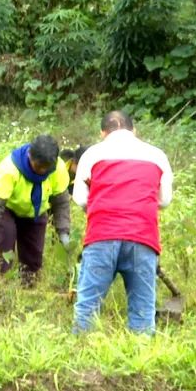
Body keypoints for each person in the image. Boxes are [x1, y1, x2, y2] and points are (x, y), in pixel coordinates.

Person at [72, 111, 173, 334]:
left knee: (88, 307)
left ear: (103, 133)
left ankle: (80, 355)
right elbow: (164, 200)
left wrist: (99, 207)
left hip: (101, 236)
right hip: (142, 237)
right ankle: (140, 359)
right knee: (142, 310)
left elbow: (79, 198)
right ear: (133, 130)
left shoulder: (92, 154)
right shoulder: (157, 155)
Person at [0, 134, 72, 285]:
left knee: (34, 250)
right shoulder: (10, 170)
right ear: (29, 156)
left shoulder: (57, 169)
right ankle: (0, 285)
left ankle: (28, 286)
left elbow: (61, 203)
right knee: (6, 239)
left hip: (35, 208)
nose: (42, 171)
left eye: (46, 168)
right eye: (39, 166)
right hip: (4, 205)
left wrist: (63, 233)